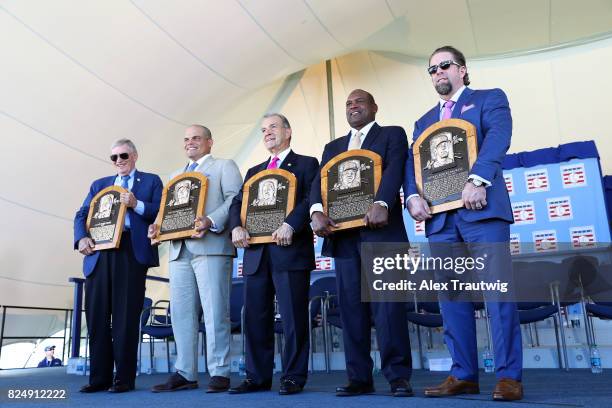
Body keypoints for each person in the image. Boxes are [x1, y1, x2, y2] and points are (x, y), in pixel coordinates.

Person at [403, 45, 522, 401]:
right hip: (440, 220)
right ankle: (464, 374)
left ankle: (508, 377)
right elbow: (413, 165)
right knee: (451, 298)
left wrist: (478, 179)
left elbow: (499, 138)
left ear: (462, 69)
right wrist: (412, 197)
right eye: (432, 69)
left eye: (445, 65)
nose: (438, 72)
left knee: (497, 294)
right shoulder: (423, 122)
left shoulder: (489, 99)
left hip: (481, 210)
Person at [310, 89, 413, 398]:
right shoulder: (333, 147)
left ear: (374, 107)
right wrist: (316, 211)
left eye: (360, 102)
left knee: (388, 310)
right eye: (348, 103)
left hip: (382, 234)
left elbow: (395, 168)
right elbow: (319, 182)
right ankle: (359, 378)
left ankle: (398, 377)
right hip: (343, 238)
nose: (353, 106)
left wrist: (382, 201)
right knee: (351, 309)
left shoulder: (392, 134)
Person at [228, 113, 318, 395]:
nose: (267, 133)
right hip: (256, 254)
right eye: (263, 129)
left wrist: (291, 223)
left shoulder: (307, 163)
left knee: (293, 317)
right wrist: (236, 227)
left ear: (288, 131)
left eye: (273, 127)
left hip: (289, 251)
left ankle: (293, 376)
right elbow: (237, 204)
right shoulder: (254, 171)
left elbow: (310, 199)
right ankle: (257, 376)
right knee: (254, 317)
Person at [150, 125, 242, 394]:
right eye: (187, 139)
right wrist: (157, 226)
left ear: (210, 142)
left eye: (196, 138)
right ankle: (185, 372)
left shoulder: (225, 166)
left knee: (215, 312)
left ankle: (220, 371)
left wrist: (212, 220)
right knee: (180, 314)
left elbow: (235, 199)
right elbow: (167, 211)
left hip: (211, 245)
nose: (190, 142)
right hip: (179, 250)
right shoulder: (176, 175)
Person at [74, 139, 162, 393]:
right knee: (96, 314)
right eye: (114, 157)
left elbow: (162, 212)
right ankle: (99, 378)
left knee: (125, 317)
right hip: (99, 253)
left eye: (123, 155)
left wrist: (137, 205)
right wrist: (81, 237)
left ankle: (124, 378)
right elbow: (81, 214)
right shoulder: (99, 185)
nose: (119, 161)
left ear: (135, 156)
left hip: (130, 251)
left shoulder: (151, 181)